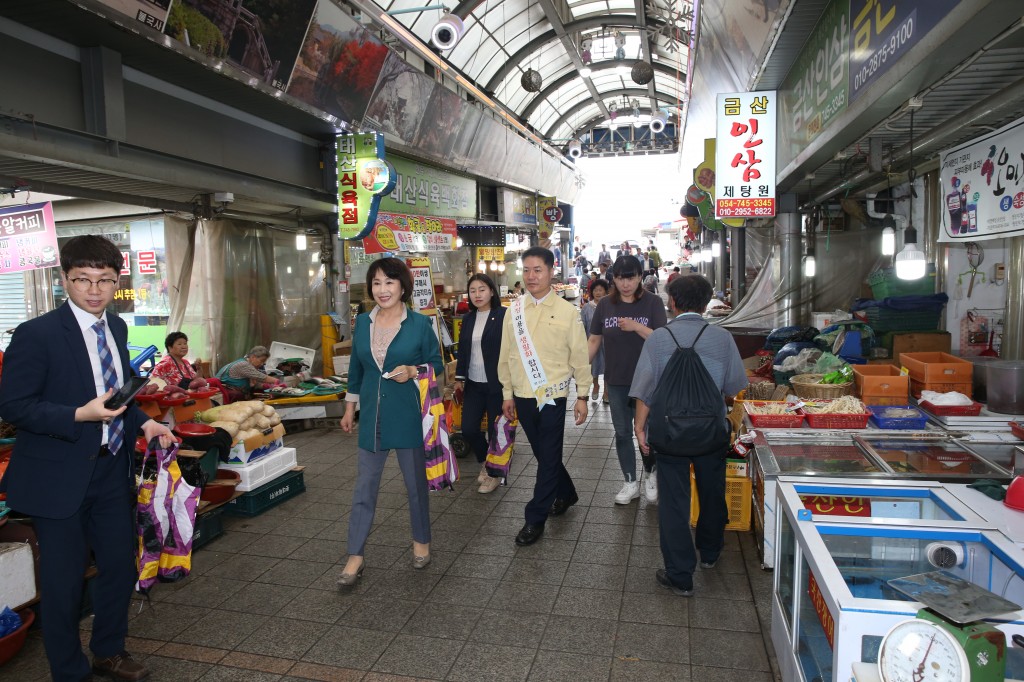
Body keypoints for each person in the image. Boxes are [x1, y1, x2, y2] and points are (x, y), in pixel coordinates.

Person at [0, 235, 174, 682]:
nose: (93, 290)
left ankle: (109, 651)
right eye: (82, 280)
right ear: (64, 278)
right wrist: (80, 414)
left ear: (117, 281)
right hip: (57, 479)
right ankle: (69, 670)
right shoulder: (36, 334)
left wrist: (143, 422)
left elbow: (116, 396)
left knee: (119, 565)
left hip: (110, 471)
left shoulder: (115, 328)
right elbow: (14, 406)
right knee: (64, 581)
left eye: (104, 280)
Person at [629, 275, 746, 597]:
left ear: (673, 302)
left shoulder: (658, 339)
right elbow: (734, 387)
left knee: (674, 504)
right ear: (706, 303)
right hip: (710, 433)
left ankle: (680, 574)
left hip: (669, 434)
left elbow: (644, 391)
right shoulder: (722, 338)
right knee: (711, 493)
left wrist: (640, 427)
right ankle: (709, 553)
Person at [339, 257, 443, 584]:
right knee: (364, 488)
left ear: (402, 286)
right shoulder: (364, 324)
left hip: (409, 415)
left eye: (389, 282)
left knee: (415, 487)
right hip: (371, 417)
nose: (382, 290)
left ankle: (421, 542)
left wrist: (414, 372)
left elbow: (437, 366)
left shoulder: (419, 325)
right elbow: (356, 369)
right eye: (376, 283)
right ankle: (355, 555)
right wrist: (349, 407)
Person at [499, 246, 591, 546]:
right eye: (526, 270)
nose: (531, 276)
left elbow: (579, 356)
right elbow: (506, 355)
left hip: (552, 395)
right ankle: (567, 492)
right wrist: (507, 393)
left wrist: (583, 395)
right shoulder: (513, 311)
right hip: (523, 394)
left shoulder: (568, 312)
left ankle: (534, 518)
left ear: (552, 272)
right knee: (542, 453)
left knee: (548, 456)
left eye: (538, 270)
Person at [589, 256, 667, 504]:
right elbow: (594, 340)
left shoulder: (653, 303)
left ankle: (651, 474)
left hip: (648, 381)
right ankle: (630, 482)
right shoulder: (604, 306)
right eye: (621, 278)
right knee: (622, 433)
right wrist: (579, 368)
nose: (626, 283)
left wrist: (637, 327)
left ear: (639, 277)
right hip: (617, 379)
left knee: (648, 430)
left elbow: (661, 340)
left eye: (631, 277)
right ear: (613, 278)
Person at [454, 274, 507, 494]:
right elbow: (463, 351)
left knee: (496, 431)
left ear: (492, 292)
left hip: (497, 384)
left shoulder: (504, 315)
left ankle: (493, 475)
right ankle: (487, 462)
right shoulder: (468, 319)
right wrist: (459, 379)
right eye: (473, 290)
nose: (477, 294)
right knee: (468, 429)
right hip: (474, 383)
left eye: (482, 289)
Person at [580, 278, 609, 402]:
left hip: (608, 343)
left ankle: (607, 392)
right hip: (591, 342)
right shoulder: (587, 307)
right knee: (593, 367)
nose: (598, 293)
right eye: (595, 290)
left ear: (605, 292)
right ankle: (595, 385)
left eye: (600, 290)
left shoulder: (610, 306)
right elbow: (582, 326)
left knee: (609, 367)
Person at [216, 345, 281, 400]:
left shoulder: (250, 365)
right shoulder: (243, 365)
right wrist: (277, 381)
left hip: (238, 390)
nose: (262, 364)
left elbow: (254, 382)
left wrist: (264, 386)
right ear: (253, 357)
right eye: (262, 361)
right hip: (225, 393)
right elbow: (260, 377)